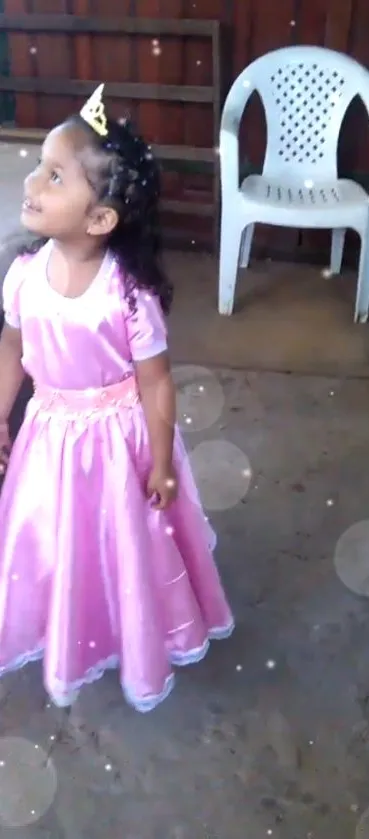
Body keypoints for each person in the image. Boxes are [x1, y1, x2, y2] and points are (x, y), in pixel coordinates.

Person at [0, 84, 234, 712]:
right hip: (48, 436)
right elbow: (11, 350)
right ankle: (65, 624)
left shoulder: (126, 295)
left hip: (115, 442)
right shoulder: (23, 275)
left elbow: (156, 379)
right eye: (39, 167)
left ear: (101, 219)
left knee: (124, 542)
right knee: (54, 537)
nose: (33, 183)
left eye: (54, 176)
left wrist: (160, 462)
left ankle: (131, 629)